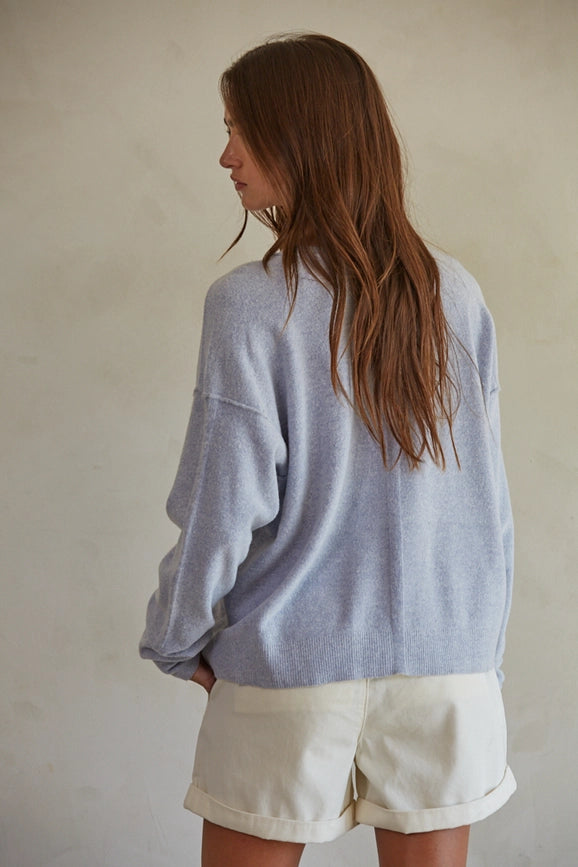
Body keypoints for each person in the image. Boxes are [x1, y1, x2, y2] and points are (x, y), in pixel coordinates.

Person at [139, 33, 516, 867]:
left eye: (241, 129)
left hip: (290, 671)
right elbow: (488, 505)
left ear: (302, 136)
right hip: (446, 673)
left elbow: (221, 501)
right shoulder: (455, 293)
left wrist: (175, 634)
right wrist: (479, 656)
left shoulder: (250, 304)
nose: (226, 155)